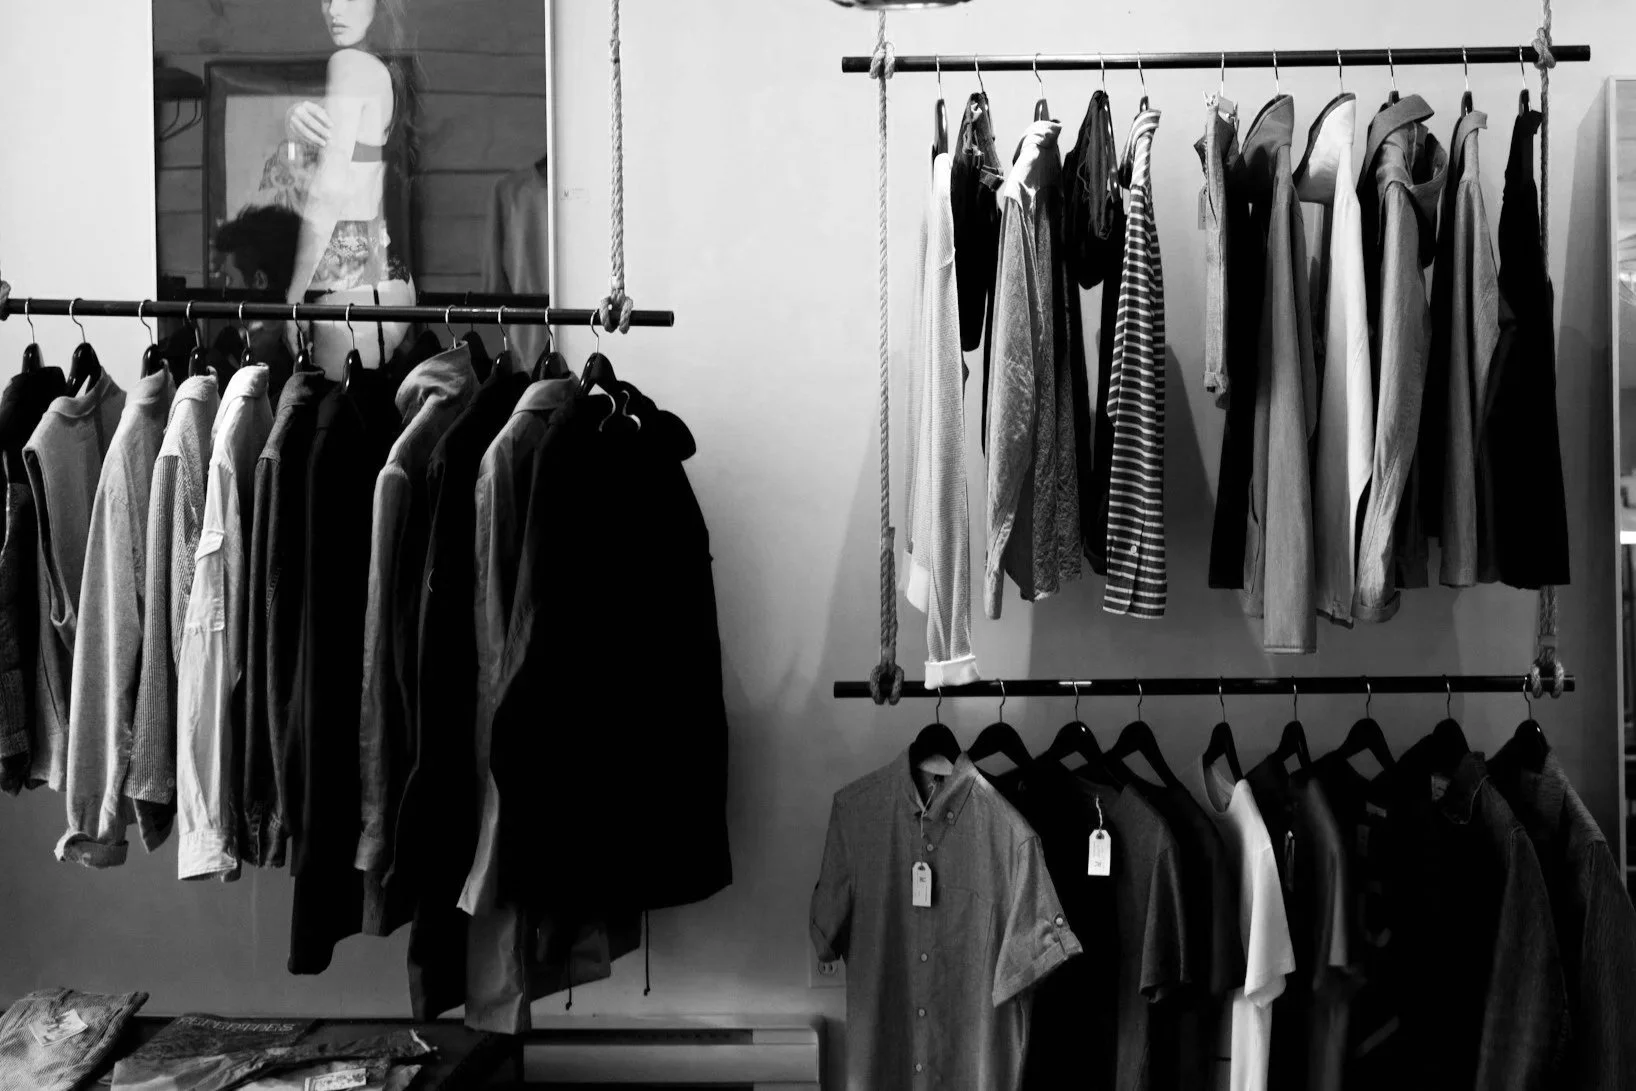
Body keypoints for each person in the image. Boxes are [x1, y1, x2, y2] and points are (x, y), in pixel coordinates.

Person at [284, 0, 416, 377]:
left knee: (337, 420)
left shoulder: (348, 65)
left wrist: (294, 295)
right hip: (382, 277)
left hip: (350, 285)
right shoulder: (382, 71)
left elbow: (330, 187)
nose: (334, 9)